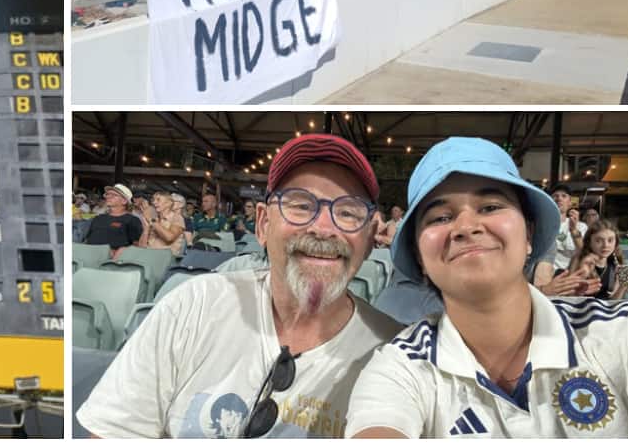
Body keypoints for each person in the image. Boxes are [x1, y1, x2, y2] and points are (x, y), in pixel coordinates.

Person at [77, 134, 403, 438]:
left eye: (347, 212)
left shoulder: (395, 355)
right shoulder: (194, 304)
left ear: (369, 239)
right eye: (301, 205)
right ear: (263, 224)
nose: (322, 227)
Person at [347, 137, 628, 438]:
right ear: (419, 256)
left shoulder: (626, 332)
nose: (466, 227)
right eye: (440, 217)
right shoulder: (400, 367)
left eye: (490, 207)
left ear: (529, 234)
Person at [567, 220, 628, 300]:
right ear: (589, 242)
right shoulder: (579, 260)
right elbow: (569, 296)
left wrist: (623, 286)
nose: (605, 245)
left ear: (616, 243)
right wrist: (583, 274)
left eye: (610, 240)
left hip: (605, 307)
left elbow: (613, 301)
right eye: (598, 241)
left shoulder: (615, 264)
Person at [81, 184, 143, 259]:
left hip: (113, 262)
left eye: (114, 195)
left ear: (124, 201)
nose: (108, 197)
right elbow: (87, 240)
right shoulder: (98, 218)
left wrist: (125, 250)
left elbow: (138, 245)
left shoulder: (132, 220)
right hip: (87, 257)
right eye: (108, 194)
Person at [143, 191, 186, 257]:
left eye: (158, 200)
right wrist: (146, 228)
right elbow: (142, 246)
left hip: (165, 258)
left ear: (169, 203)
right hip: (148, 255)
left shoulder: (177, 218)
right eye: (153, 200)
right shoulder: (155, 219)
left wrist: (152, 220)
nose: (154, 202)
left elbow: (169, 238)